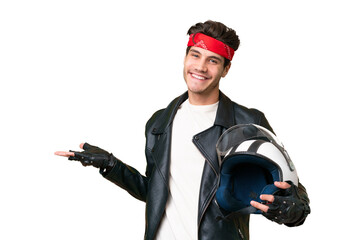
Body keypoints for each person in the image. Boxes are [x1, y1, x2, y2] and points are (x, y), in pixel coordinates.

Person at [55, 20, 310, 240]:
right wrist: (111, 166)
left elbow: (291, 188)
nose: (200, 67)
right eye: (195, 55)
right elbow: (154, 192)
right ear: (185, 57)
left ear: (226, 69)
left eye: (213, 60)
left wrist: (294, 209)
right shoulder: (159, 123)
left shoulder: (246, 121)